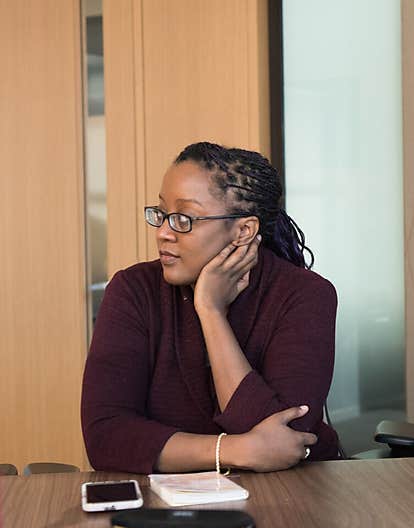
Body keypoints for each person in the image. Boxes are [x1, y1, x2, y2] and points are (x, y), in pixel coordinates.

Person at [82, 142, 340, 473]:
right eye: (161, 215)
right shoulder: (133, 291)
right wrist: (232, 450)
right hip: (166, 507)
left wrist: (210, 310)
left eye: (184, 219)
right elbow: (105, 436)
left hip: (293, 499)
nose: (163, 233)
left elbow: (284, 443)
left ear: (244, 230)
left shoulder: (305, 295)